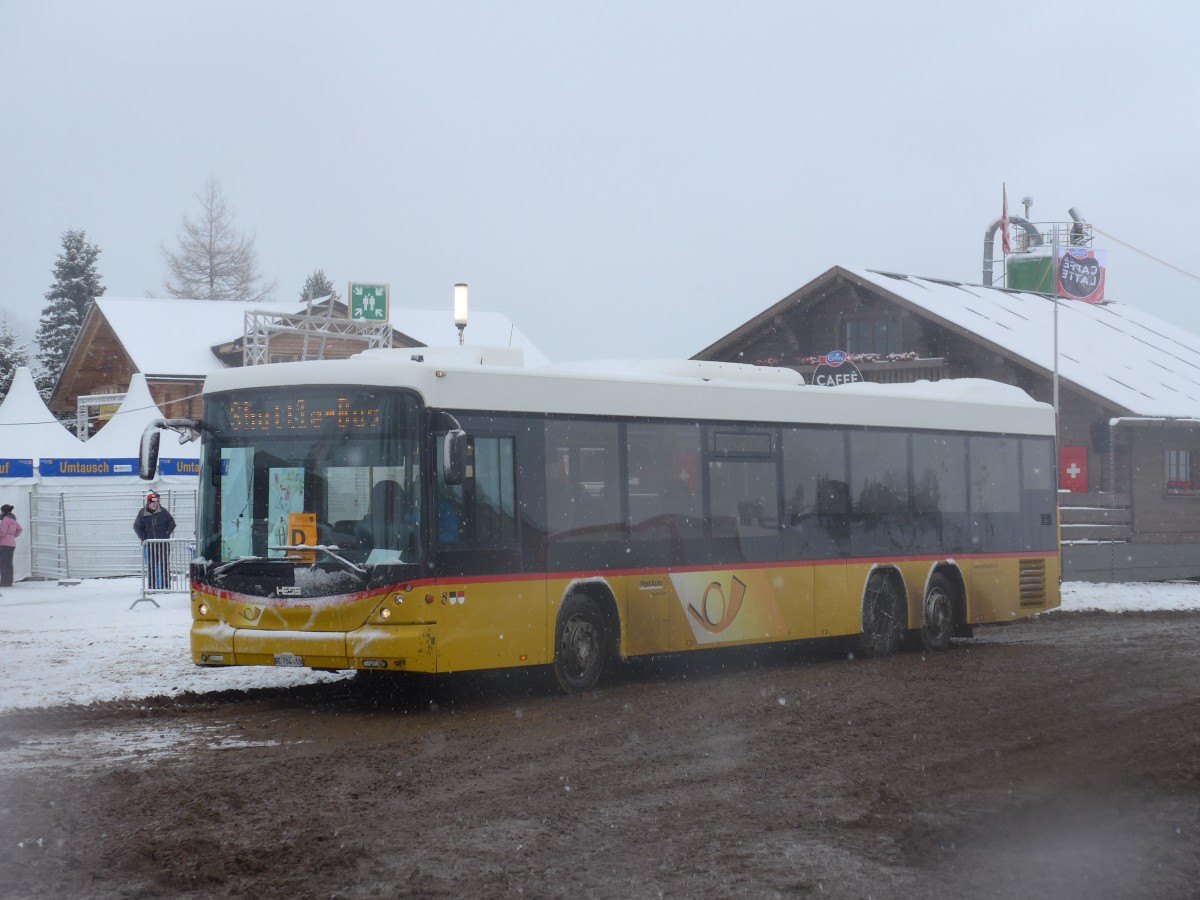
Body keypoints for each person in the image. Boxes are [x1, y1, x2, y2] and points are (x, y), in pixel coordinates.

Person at [133, 491, 176, 588]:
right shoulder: (142, 513)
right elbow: (137, 527)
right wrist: (144, 539)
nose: (155, 504)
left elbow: (172, 523)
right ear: (148, 503)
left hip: (163, 544)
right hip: (151, 545)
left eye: (156, 502)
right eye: (153, 502)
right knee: (151, 566)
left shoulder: (163, 511)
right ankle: (152, 587)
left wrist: (166, 534)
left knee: (164, 565)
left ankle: (166, 586)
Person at [0, 503, 22, 587]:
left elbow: (2, 532)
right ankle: (9, 581)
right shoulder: (13, 520)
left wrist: (6, 537)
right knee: (9, 563)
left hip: (4, 543)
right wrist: (12, 536)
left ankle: (4, 582)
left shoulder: (5, 520)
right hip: (12, 544)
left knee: (3, 563)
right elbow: (20, 529)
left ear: (3, 512)